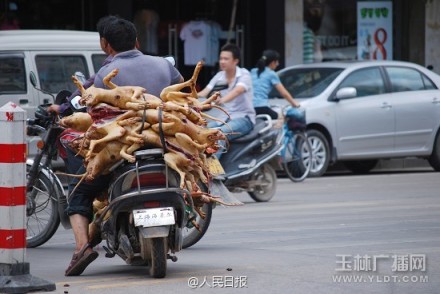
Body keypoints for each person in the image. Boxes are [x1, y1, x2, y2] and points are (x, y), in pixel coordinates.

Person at [64, 16, 183, 277]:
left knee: (79, 193)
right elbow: (186, 98)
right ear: (137, 41)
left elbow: (91, 110)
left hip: (123, 153)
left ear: (105, 44)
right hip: (166, 145)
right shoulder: (164, 64)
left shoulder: (106, 73)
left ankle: (82, 246)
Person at [47, 15, 119, 117]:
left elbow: (86, 88)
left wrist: (63, 108)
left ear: (104, 42)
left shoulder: (108, 67)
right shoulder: (149, 62)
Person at [197, 43, 255, 158]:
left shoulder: (244, 74)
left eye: (226, 59)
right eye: (221, 58)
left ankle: (214, 172)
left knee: (219, 134)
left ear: (235, 61)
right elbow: (204, 93)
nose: (222, 61)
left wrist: (220, 100)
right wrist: (186, 99)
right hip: (223, 119)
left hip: (243, 118)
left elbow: (238, 91)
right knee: (199, 130)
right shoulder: (219, 76)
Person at [251, 49, 300, 120]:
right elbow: (283, 93)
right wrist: (294, 103)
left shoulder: (253, 71)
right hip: (262, 108)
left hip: (249, 109)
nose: (278, 64)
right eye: (277, 62)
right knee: (282, 118)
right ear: (272, 62)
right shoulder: (271, 74)